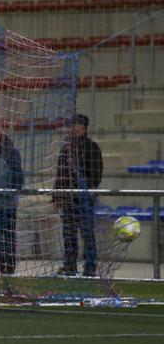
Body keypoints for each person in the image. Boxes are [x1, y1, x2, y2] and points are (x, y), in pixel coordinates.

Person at [54, 113, 103, 277]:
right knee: (68, 234)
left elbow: (96, 176)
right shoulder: (65, 149)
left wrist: (83, 186)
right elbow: (59, 175)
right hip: (68, 198)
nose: (72, 128)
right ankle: (69, 265)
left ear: (83, 128)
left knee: (87, 233)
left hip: (84, 199)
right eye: (71, 125)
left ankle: (90, 267)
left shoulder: (92, 147)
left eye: (75, 125)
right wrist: (57, 196)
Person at [0, 121, 23, 275]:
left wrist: (6, 191)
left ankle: (8, 268)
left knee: (7, 238)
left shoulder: (11, 153)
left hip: (6, 205)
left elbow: (18, 180)